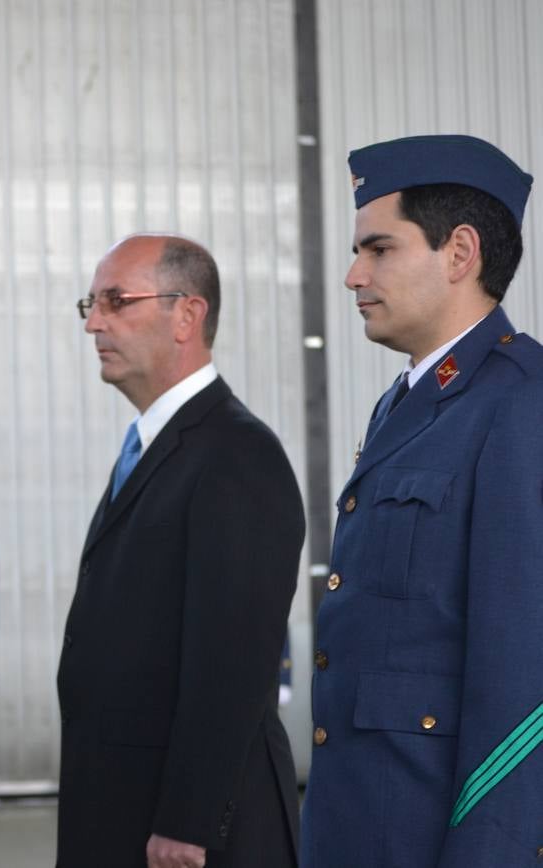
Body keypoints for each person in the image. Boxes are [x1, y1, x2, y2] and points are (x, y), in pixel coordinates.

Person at [302, 135, 543, 866]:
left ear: (460, 253)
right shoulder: (405, 404)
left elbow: (522, 675)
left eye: (378, 249)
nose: (353, 276)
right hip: (362, 825)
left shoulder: (518, 406)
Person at [57, 234, 304, 868]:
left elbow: (234, 658)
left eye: (117, 300)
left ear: (187, 316)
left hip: (187, 835)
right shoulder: (156, 444)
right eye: (91, 302)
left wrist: (187, 822)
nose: (93, 322)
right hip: (122, 803)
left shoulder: (236, 454)